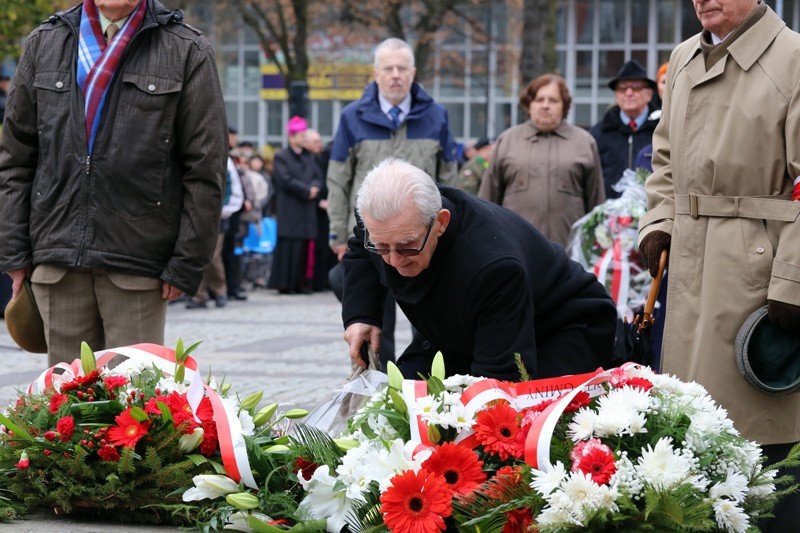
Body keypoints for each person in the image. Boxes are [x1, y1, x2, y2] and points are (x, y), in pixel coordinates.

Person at [637, 1, 800, 529]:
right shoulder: (684, 57)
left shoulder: (793, 58)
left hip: (756, 276)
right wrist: (658, 221)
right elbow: (663, 159)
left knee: (765, 446)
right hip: (687, 268)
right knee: (691, 437)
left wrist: (794, 279)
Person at [0, 0, 226, 364]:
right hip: (57, 256)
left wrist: (187, 263)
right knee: (67, 405)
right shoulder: (45, 42)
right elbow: (14, 159)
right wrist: (13, 252)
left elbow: (205, 168)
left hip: (138, 260)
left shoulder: (186, 48)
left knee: (134, 396)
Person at [342, 158, 617, 380]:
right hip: (464, 326)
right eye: (381, 246)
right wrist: (362, 315)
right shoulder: (383, 222)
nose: (394, 260)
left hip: (561, 325)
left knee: (522, 421)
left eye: (407, 246)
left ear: (441, 222)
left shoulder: (492, 267)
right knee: (398, 403)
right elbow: (360, 249)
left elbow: (499, 378)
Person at [327, 37, 458, 369]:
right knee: (372, 316)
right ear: (376, 73)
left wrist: (449, 230)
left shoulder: (437, 116)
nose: (396, 75)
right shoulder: (351, 117)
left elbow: (450, 178)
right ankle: (379, 386)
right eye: (389, 69)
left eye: (402, 68)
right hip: (371, 237)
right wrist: (339, 235)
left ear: (413, 73)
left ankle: (428, 384)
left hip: (421, 237)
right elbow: (338, 179)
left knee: (430, 319)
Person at [480, 74, 605, 247]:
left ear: (564, 106)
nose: (545, 106)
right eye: (539, 100)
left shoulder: (584, 142)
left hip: (570, 254)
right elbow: (487, 201)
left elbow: (596, 204)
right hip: (516, 250)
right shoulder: (507, 141)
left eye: (553, 100)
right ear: (529, 105)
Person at [590, 60, 659, 199]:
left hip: (654, 214)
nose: (628, 93)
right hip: (609, 214)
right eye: (622, 88)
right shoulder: (599, 133)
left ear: (649, 94)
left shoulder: (662, 130)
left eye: (636, 87)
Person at [268, 116, 322, 294]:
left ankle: (302, 283)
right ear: (291, 137)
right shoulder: (282, 157)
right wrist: (307, 191)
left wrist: (315, 188)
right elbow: (285, 180)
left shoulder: (309, 157)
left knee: (305, 249)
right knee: (289, 248)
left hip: (306, 210)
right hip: (290, 209)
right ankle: (286, 284)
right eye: (301, 135)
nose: (304, 138)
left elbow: (318, 176)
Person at [187, 156, 243, 309]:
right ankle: (199, 295)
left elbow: (233, 191)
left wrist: (223, 210)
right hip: (194, 215)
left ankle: (220, 291)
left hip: (217, 216)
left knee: (212, 256)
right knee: (194, 255)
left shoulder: (224, 159)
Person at [304, 129, 336, 291]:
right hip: (314, 209)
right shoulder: (311, 159)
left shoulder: (320, 156)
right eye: (316, 142)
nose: (320, 145)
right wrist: (318, 200)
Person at [634, 62, 669, 172]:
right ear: (657, 86)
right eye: (664, 82)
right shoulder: (650, 118)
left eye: (673, 80)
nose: (668, 86)